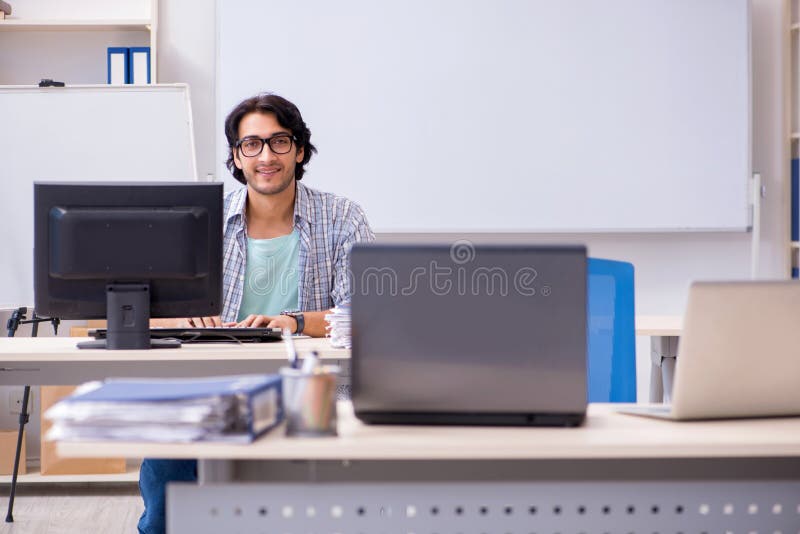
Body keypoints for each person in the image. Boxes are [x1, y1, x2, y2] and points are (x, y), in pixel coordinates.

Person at [137, 93, 374, 534]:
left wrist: (295, 321)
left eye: (279, 142)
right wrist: (181, 318)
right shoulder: (200, 221)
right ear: (236, 156)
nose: (266, 156)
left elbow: (363, 314)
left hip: (311, 387)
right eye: (252, 144)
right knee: (168, 457)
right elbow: (148, 308)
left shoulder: (343, 217)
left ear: (300, 151)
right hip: (214, 384)